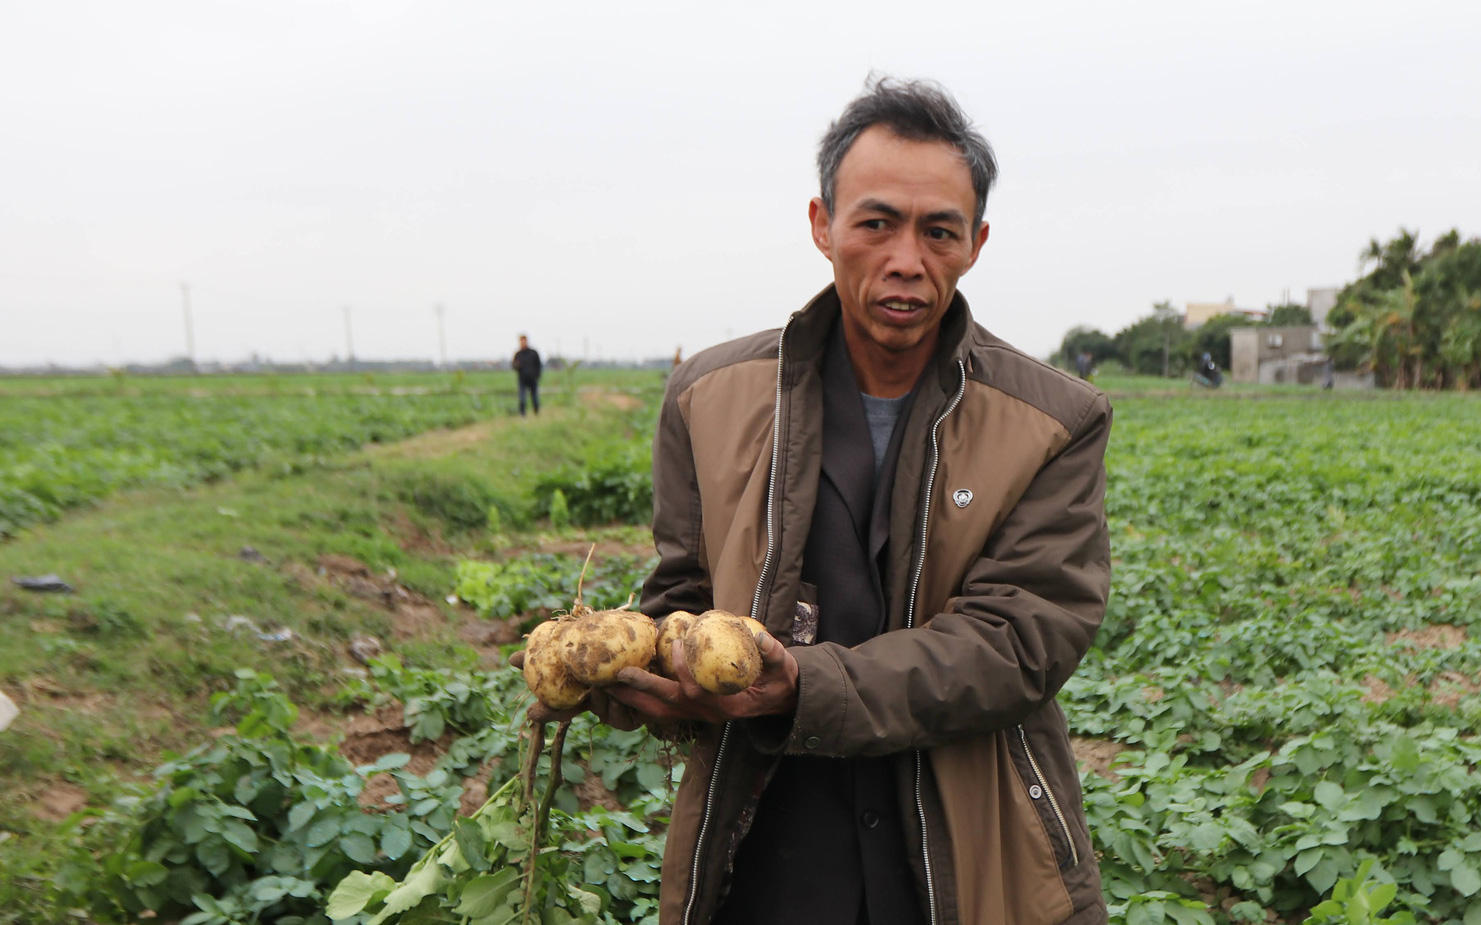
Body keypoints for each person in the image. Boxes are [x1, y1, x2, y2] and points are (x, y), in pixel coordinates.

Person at [524, 77, 1112, 925]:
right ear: (822, 225)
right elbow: (684, 595)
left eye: (938, 230)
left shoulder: (1053, 419)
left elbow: (1017, 641)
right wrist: (623, 676)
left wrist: (802, 686)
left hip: (967, 852)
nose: (906, 258)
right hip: (769, 849)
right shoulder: (709, 395)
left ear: (975, 243)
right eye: (876, 223)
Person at [512, 334, 541, 415]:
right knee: (522, 398)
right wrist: (516, 365)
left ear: (526, 341)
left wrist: (537, 375)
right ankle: (522, 415)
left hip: (532, 379)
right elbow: (514, 365)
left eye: (524, 341)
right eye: (521, 342)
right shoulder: (518, 354)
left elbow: (538, 365)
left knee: (534, 397)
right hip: (522, 379)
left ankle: (536, 412)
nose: (523, 343)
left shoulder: (533, 353)